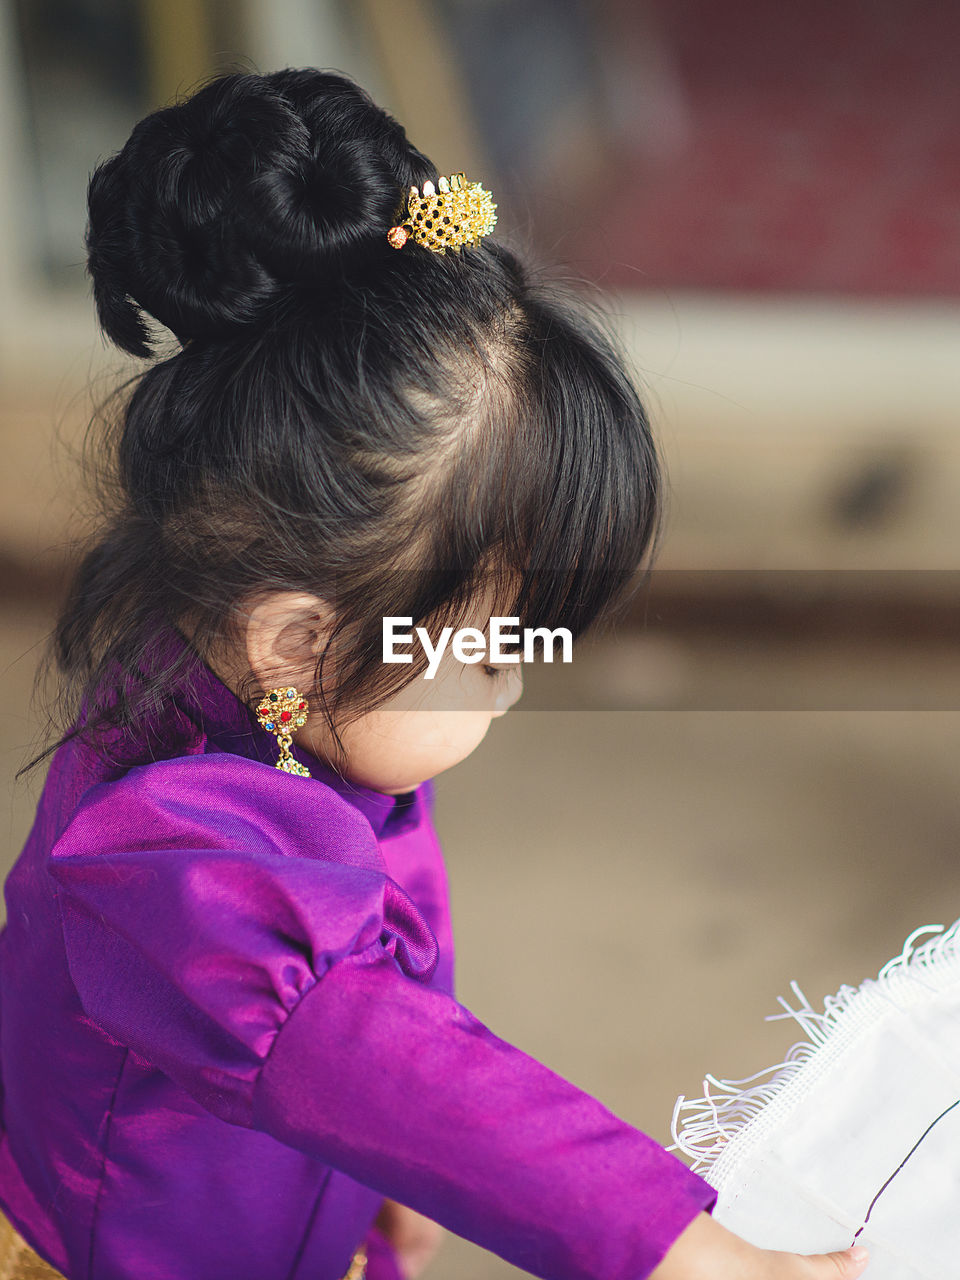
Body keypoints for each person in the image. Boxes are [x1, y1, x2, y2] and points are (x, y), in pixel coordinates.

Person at [0, 68, 870, 1280]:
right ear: (297, 641)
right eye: (487, 642)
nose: (514, 677)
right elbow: (381, 1061)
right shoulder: (171, 868)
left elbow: (385, 1023)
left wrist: (360, 1172)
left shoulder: (281, 686)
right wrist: (699, 1253)